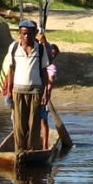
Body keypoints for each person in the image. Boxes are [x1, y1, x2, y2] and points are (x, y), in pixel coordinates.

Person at [5, 20, 50, 153]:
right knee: (19, 125)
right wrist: (9, 91)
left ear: (35, 34)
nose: (26, 37)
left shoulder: (40, 49)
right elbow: (11, 70)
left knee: (34, 125)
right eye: (24, 34)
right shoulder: (13, 48)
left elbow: (44, 71)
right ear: (19, 34)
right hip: (18, 91)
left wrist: (46, 92)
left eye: (30, 34)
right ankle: (19, 151)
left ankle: (32, 151)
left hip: (36, 91)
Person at [38, 41, 60, 149]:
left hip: (44, 96)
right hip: (36, 94)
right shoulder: (40, 63)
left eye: (53, 54)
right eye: (50, 53)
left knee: (43, 120)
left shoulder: (52, 68)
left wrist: (46, 93)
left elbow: (50, 80)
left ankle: (45, 145)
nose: (51, 55)